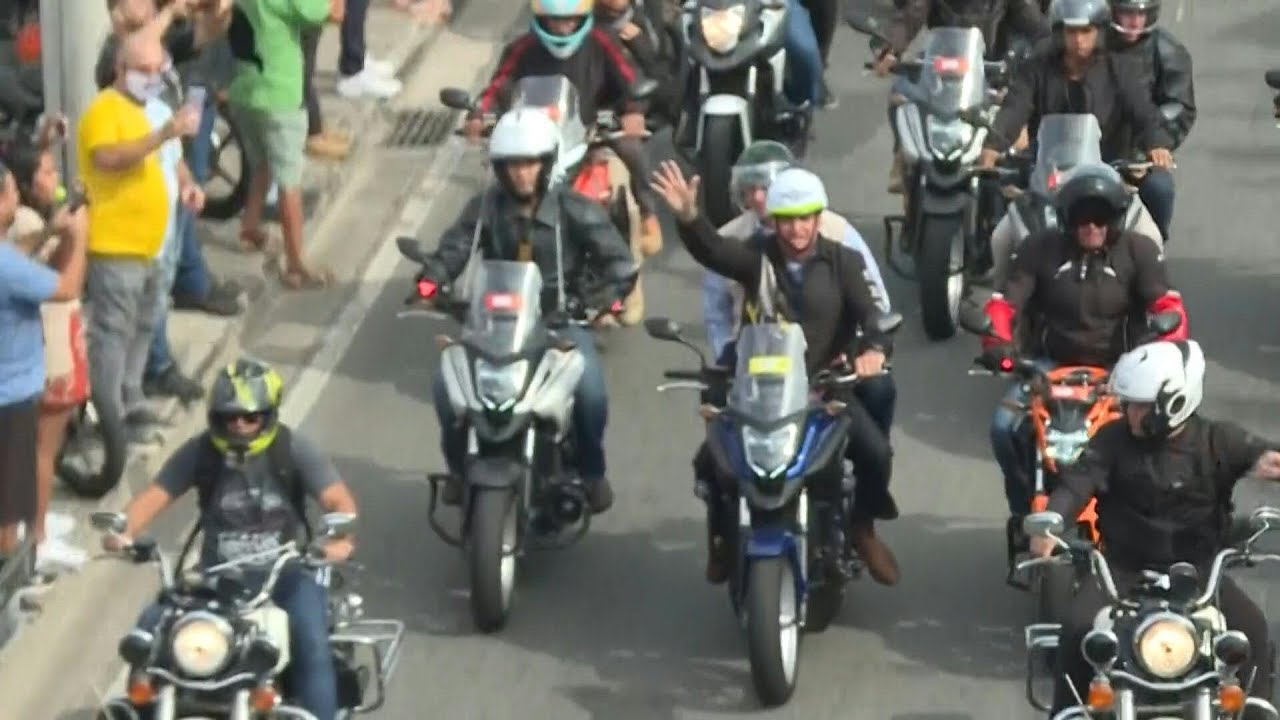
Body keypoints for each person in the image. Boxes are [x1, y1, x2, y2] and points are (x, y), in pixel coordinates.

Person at [651, 160, 901, 585]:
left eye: (805, 218)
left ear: (818, 218)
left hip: (823, 391)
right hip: (760, 391)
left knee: (875, 456)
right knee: (713, 461)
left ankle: (862, 528)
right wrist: (689, 217)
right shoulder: (756, 259)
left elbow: (875, 314)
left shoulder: (844, 262)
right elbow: (712, 249)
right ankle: (722, 541)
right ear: (774, 222)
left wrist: (873, 350)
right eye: (786, 220)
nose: (797, 229)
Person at [1033, 339, 1279, 718]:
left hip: (1198, 572)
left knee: (1253, 629)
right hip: (1122, 570)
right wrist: (1051, 523)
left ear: (1174, 401)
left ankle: (1260, 712)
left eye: (1139, 405)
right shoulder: (1112, 440)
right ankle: (1064, 714)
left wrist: (1269, 462)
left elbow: (1264, 456)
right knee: (1077, 630)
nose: (1128, 411)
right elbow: (1076, 484)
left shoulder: (1218, 440)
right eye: (1129, 403)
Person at [408, 109, 638, 514]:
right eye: (512, 164)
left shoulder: (576, 209)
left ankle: (591, 471)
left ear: (547, 163)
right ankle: (460, 471)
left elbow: (619, 264)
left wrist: (606, 301)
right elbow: (453, 251)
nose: (521, 173)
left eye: (529, 162)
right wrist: (429, 283)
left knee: (591, 393)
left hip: (558, 324)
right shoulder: (483, 208)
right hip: (493, 326)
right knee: (447, 391)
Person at [102, 358, 358, 720]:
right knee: (149, 632)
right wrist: (122, 531)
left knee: (311, 641)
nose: (239, 425)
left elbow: (338, 500)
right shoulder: (201, 451)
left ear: (267, 416)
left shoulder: (293, 448)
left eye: (249, 417)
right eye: (229, 417)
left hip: (285, 574)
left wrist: (338, 537)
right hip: (216, 578)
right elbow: (154, 496)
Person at [978, 165, 1187, 541]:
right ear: (1066, 219)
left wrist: (1162, 355)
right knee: (1003, 428)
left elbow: (1168, 309)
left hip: (1121, 369)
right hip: (1049, 366)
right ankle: (1023, 507)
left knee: (1161, 433)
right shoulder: (1037, 249)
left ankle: (1159, 520)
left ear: (1116, 219)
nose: (1091, 226)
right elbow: (1005, 305)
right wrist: (997, 343)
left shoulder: (1140, 251)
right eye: (1081, 217)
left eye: (1101, 217)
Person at [703, 141, 896, 433]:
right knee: (714, 452)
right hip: (758, 367)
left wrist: (869, 350)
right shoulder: (740, 245)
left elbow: (875, 305)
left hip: (829, 368)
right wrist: (730, 361)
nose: (757, 199)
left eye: (765, 188)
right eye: (749, 189)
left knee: (876, 439)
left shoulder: (841, 240)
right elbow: (716, 311)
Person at [465, 0, 663, 257]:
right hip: (532, 142)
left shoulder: (602, 41)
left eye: (570, 19)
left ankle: (648, 214)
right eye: (556, 20)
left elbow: (631, 80)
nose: (563, 27)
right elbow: (499, 84)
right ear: (541, 18)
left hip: (591, 133)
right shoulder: (522, 48)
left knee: (631, 151)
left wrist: (633, 112)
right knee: (493, 198)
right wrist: (479, 115)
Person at [79, 31, 200, 444]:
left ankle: (131, 399)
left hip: (155, 245)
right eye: (142, 70)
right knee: (113, 332)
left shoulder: (155, 109)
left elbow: (174, 162)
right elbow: (109, 158)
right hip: (116, 248)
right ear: (120, 70)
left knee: (146, 323)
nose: (152, 77)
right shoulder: (104, 110)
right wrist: (162, 134)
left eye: (157, 69)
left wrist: (188, 185)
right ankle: (109, 419)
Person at [3, 135, 93, 570]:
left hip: (34, 359)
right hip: (29, 367)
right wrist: (79, 234)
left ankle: (31, 529)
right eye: (44, 172)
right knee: (37, 456)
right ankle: (30, 547)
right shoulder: (18, 232)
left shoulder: (24, 231)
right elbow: (63, 283)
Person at [977, 0, 1175, 193]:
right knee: (998, 202)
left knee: (1160, 189)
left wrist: (1157, 144)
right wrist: (993, 146)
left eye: (1086, 31)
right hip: (1046, 172)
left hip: (1109, 172)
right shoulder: (1037, 67)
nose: (1078, 39)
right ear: (1060, 33)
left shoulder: (1120, 67)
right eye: (1071, 31)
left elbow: (1142, 109)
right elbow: (1015, 107)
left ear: (1099, 31)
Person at [868, 0, 1050, 192]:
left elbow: (1038, 30)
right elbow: (912, 14)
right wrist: (888, 48)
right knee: (900, 93)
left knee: (1016, 128)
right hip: (939, 70)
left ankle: (1001, 187)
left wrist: (1049, 53)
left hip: (990, 74)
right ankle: (903, 156)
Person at [227, 0, 340, 289]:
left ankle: (250, 227)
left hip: (244, 91)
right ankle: (296, 263)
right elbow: (333, 12)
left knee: (260, 165)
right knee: (289, 182)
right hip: (281, 95)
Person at [1105, 0, 1194, 243]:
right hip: (1087, 148)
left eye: (1140, 14)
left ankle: (1153, 249)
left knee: (1160, 189)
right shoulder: (1092, 44)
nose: (1134, 21)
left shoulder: (1167, 50)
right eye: (1127, 13)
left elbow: (1180, 106)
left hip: (1139, 157)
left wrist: (1157, 144)